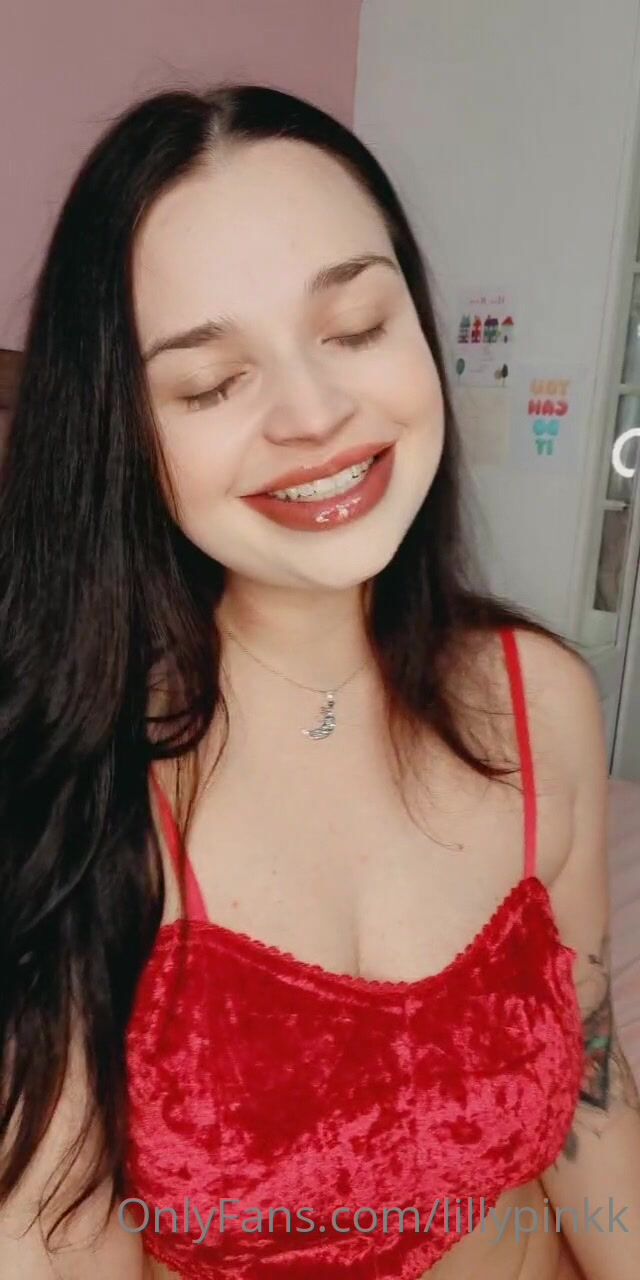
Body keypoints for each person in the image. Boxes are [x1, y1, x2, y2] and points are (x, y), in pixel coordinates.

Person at [0, 82, 638, 1280]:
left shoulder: (539, 697)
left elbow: (592, 1094)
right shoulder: (68, 788)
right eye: (211, 382)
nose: (315, 414)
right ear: (122, 434)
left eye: (353, 325)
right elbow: (48, 1237)